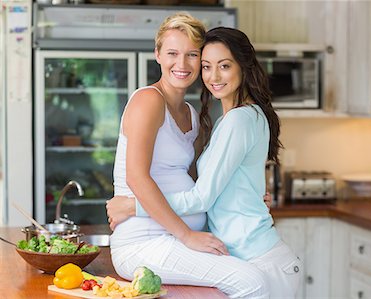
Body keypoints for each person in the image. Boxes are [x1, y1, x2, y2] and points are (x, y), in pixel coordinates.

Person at [108, 26, 302, 298]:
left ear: (243, 67)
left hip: (258, 256)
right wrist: (247, 196)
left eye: (223, 65)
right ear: (158, 55)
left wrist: (133, 206)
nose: (213, 76)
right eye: (208, 66)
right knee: (249, 282)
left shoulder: (233, 118)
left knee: (251, 283)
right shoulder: (226, 119)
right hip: (212, 248)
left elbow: (202, 195)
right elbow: (214, 184)